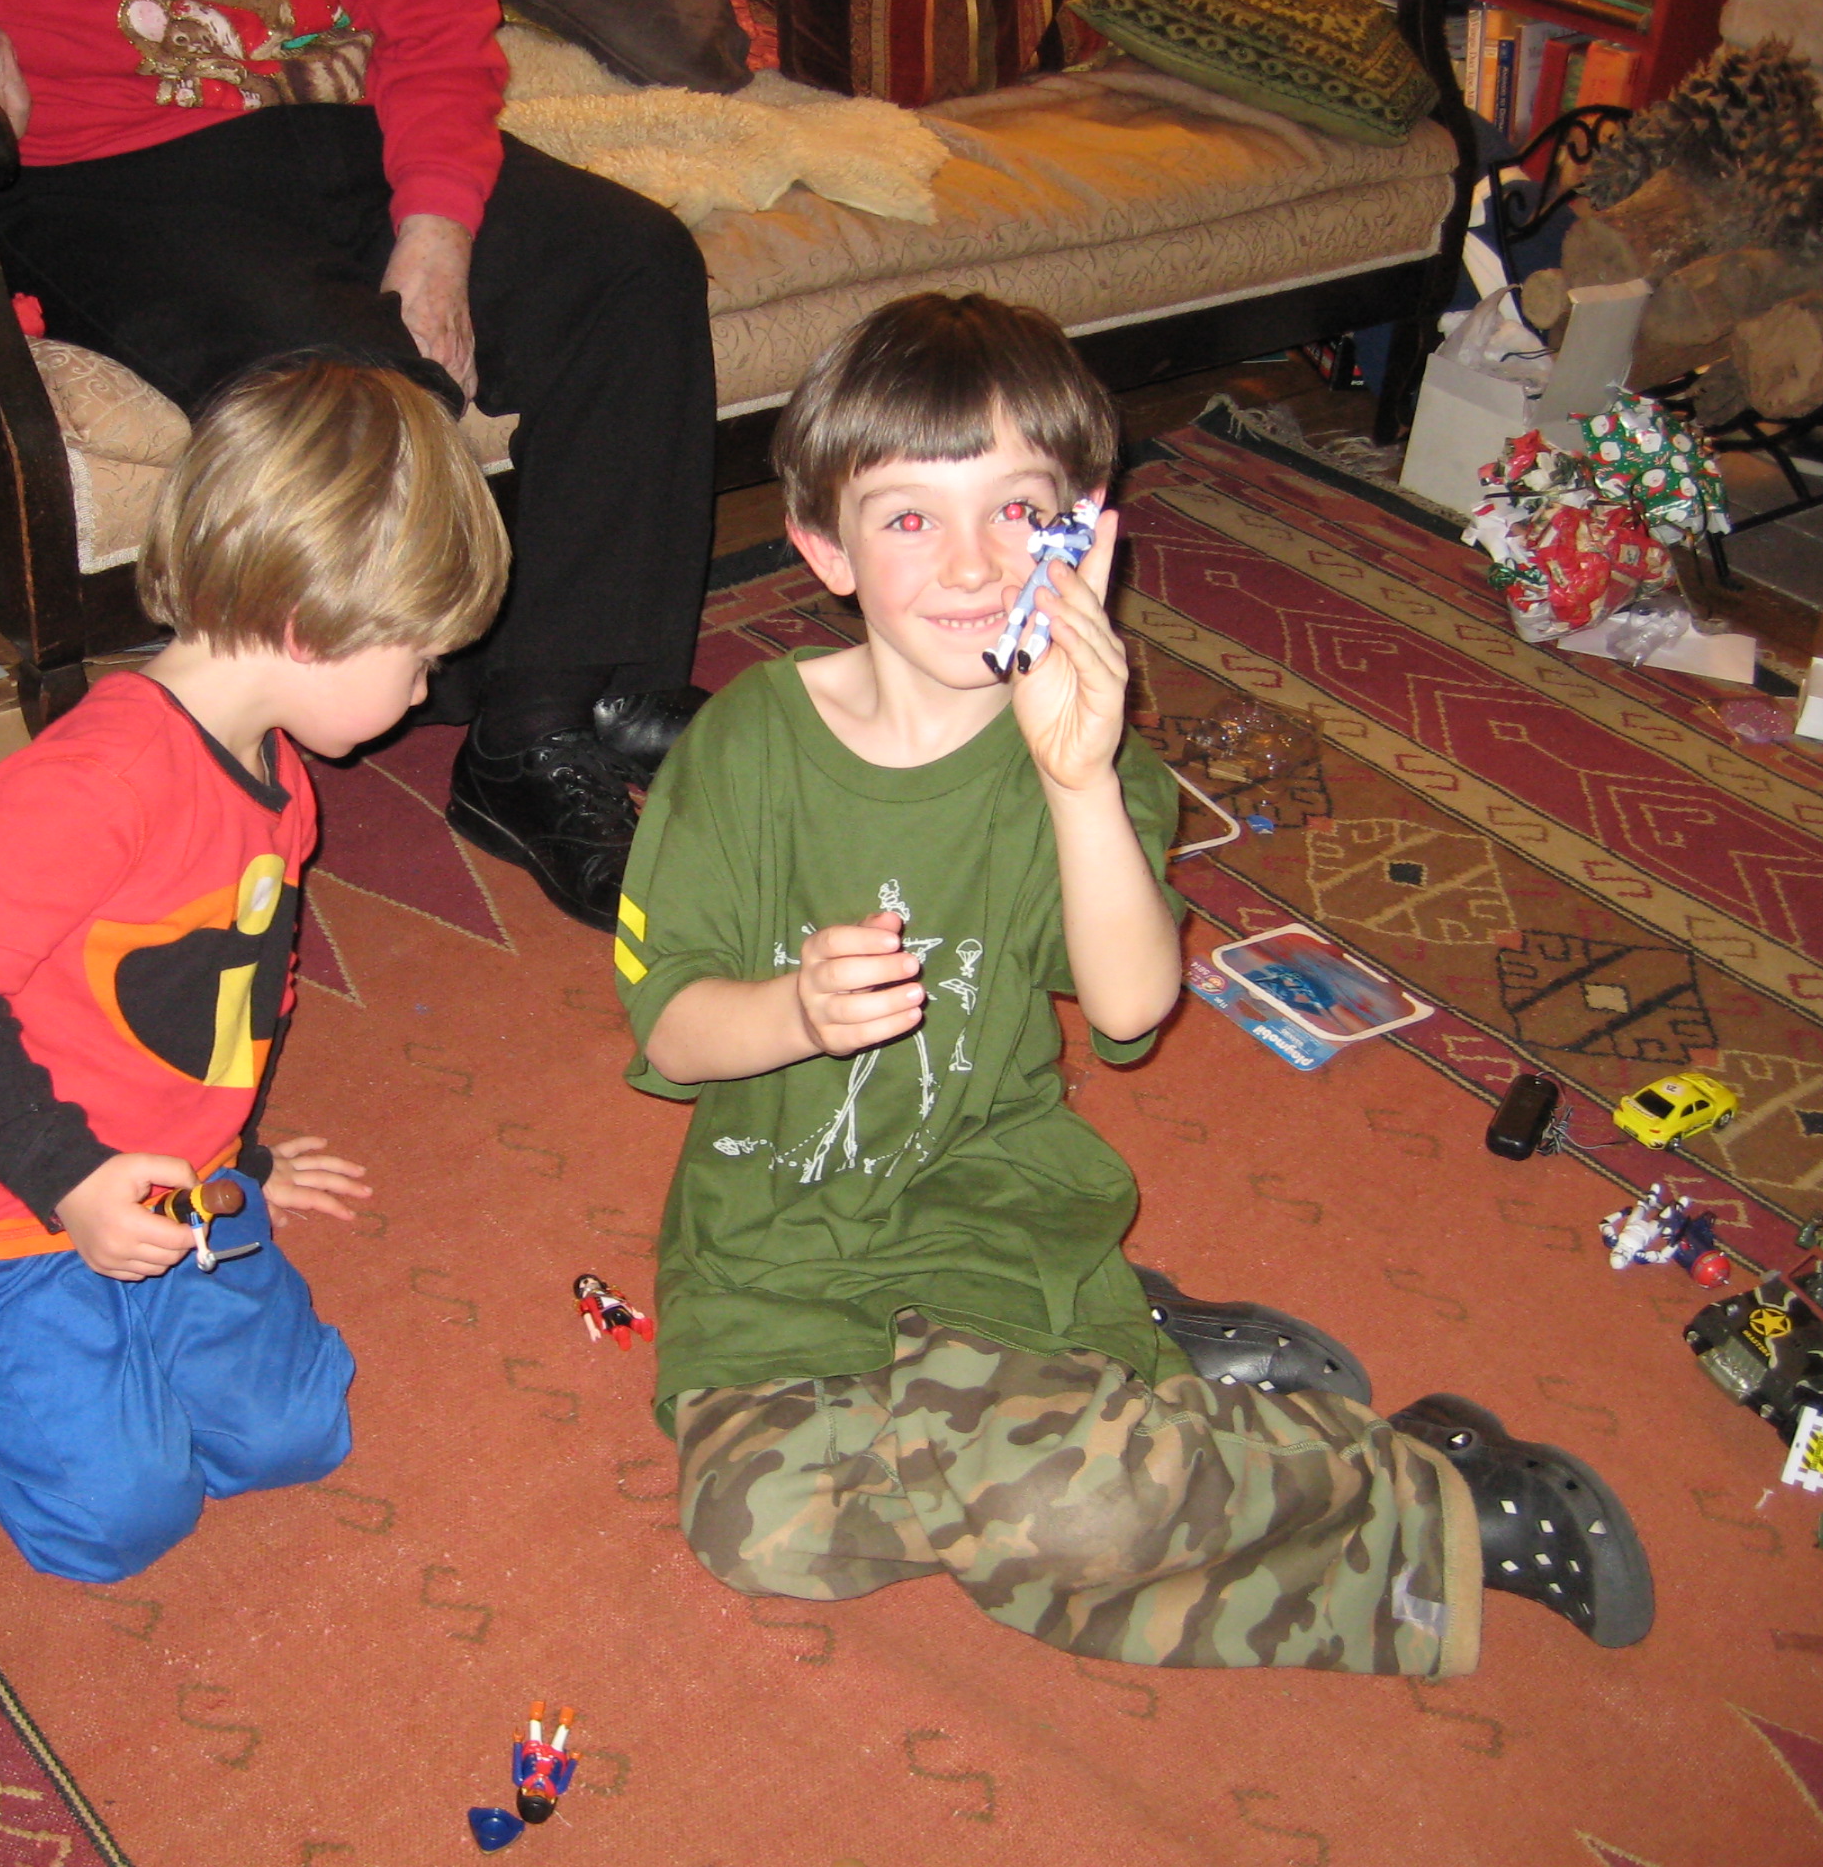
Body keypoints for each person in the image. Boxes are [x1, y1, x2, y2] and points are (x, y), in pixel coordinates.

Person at [613, 293, 1655, 1673]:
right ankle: (1116, 1387)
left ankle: (1430, 1490)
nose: (972, 561)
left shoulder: (1084, 753)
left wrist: (1077, 776)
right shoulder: (745, 743)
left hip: (981, 1212)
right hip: (771, 1249)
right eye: (910, 517)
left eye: (1015, 510)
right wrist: (792, 1013)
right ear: (824, 546)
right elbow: (675, 1030)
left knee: (1068, 1507)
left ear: (1082, 534)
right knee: (760, 1528)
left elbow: (1127, 1007)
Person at [0, 0, 716, 930]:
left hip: (351, 127)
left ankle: (555, 715)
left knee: (632, 268)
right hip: (106, 173)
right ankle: (505, 712)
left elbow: (432, 7)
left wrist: (436, 228)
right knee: (344, 392)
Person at [0, 361, 508, 1581]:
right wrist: (69, 1184)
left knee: (295, 1435)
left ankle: (104, 1351)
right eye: (420, 657)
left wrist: (239, 1154)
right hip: (6, 1209)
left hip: (178, 1186)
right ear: (313, 626)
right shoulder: (96, 785)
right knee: (116, 1524)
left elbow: (223, 1001)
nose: (429, 687)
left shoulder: (279, 781)